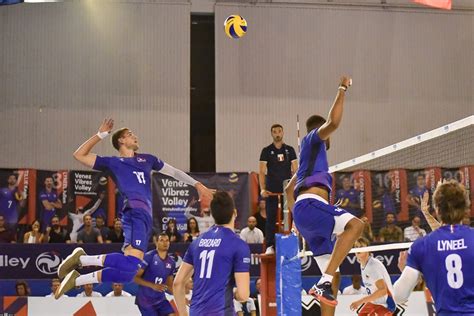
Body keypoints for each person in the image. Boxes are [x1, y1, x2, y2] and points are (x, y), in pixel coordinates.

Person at [55, 119, 213, 299]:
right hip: (134, 211)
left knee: (128, 273)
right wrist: (100, 135)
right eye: (130, 134)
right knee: (131, 264)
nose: (135, 136)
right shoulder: (113, 162)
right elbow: (79, 155)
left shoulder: (148, 159)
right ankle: (82, 259)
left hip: (145, 217)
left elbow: (174, 172)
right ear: (121, 141)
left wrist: (197, 184)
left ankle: (76, 280)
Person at [285, 76, 364, 310]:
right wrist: (342, 89)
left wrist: (296, 220)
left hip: (306, 215)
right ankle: (323, 283)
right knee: (356, 226)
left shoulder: (306, 164)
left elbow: (289, 189)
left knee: (334, 276)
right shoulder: (312, 141)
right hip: (309, 207)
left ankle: (325, 283)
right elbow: (333, 123)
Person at [394, 180, 474, 314]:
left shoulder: (421, 246)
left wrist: (405, 272)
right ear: (466, 208)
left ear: (437, 209)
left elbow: (399, 296)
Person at [173, 191, 251, 316]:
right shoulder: (238, 245)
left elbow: (177, 283)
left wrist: (183, 314)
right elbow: (243, 295)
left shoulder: (197, 242)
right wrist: (235, 294)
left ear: (213, 215)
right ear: (235, 213)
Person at [259, 123, 298, 254]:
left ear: (283, 133)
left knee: (289, 218)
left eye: (279, 131)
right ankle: (270, 245)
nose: (277, 133)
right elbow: (262, 171)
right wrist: (263, 189)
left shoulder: (290, 150)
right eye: (274, 131)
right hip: (272, 191)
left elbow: (296, 170)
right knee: (271, 217)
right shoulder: (266, 151)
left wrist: (296, 186)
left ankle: (291, 242)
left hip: (287, 189)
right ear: (272, 134)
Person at [349, 238, 396, 315]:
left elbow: (383, 290)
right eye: (356, 247)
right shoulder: (362, 263)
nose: (358, 249)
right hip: (374, 302)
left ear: (368, 249)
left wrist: (360, 301)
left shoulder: (372, 266)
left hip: (386, 304)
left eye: (361, 247)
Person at [134, 232, 176, 316]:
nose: (165, 243)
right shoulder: (149, 256)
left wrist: (182, 297)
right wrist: (153, 285)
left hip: (160, 299)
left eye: (167, 240)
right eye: (162, 240)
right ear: (156, 242)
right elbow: (135, 278)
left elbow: (169, 285)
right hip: (145, 300)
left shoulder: (171, 262)